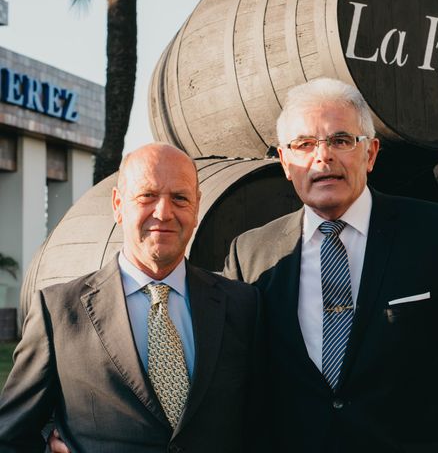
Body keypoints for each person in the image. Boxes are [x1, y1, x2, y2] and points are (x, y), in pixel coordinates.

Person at [223, 78, 438, 452]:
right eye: (304, 144)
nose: (323, 157)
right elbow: (240, 379)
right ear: (286, 162)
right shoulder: (250, 254)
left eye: (340, 140)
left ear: (370, 153)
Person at [0, 143, 262, 453]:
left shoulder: (243, 304)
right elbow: (11, 437)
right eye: (147, 196)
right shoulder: (58, 311)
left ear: (196, 207)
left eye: (180, 198)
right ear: (118, 204)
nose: (163, 213)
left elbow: (262, 421)